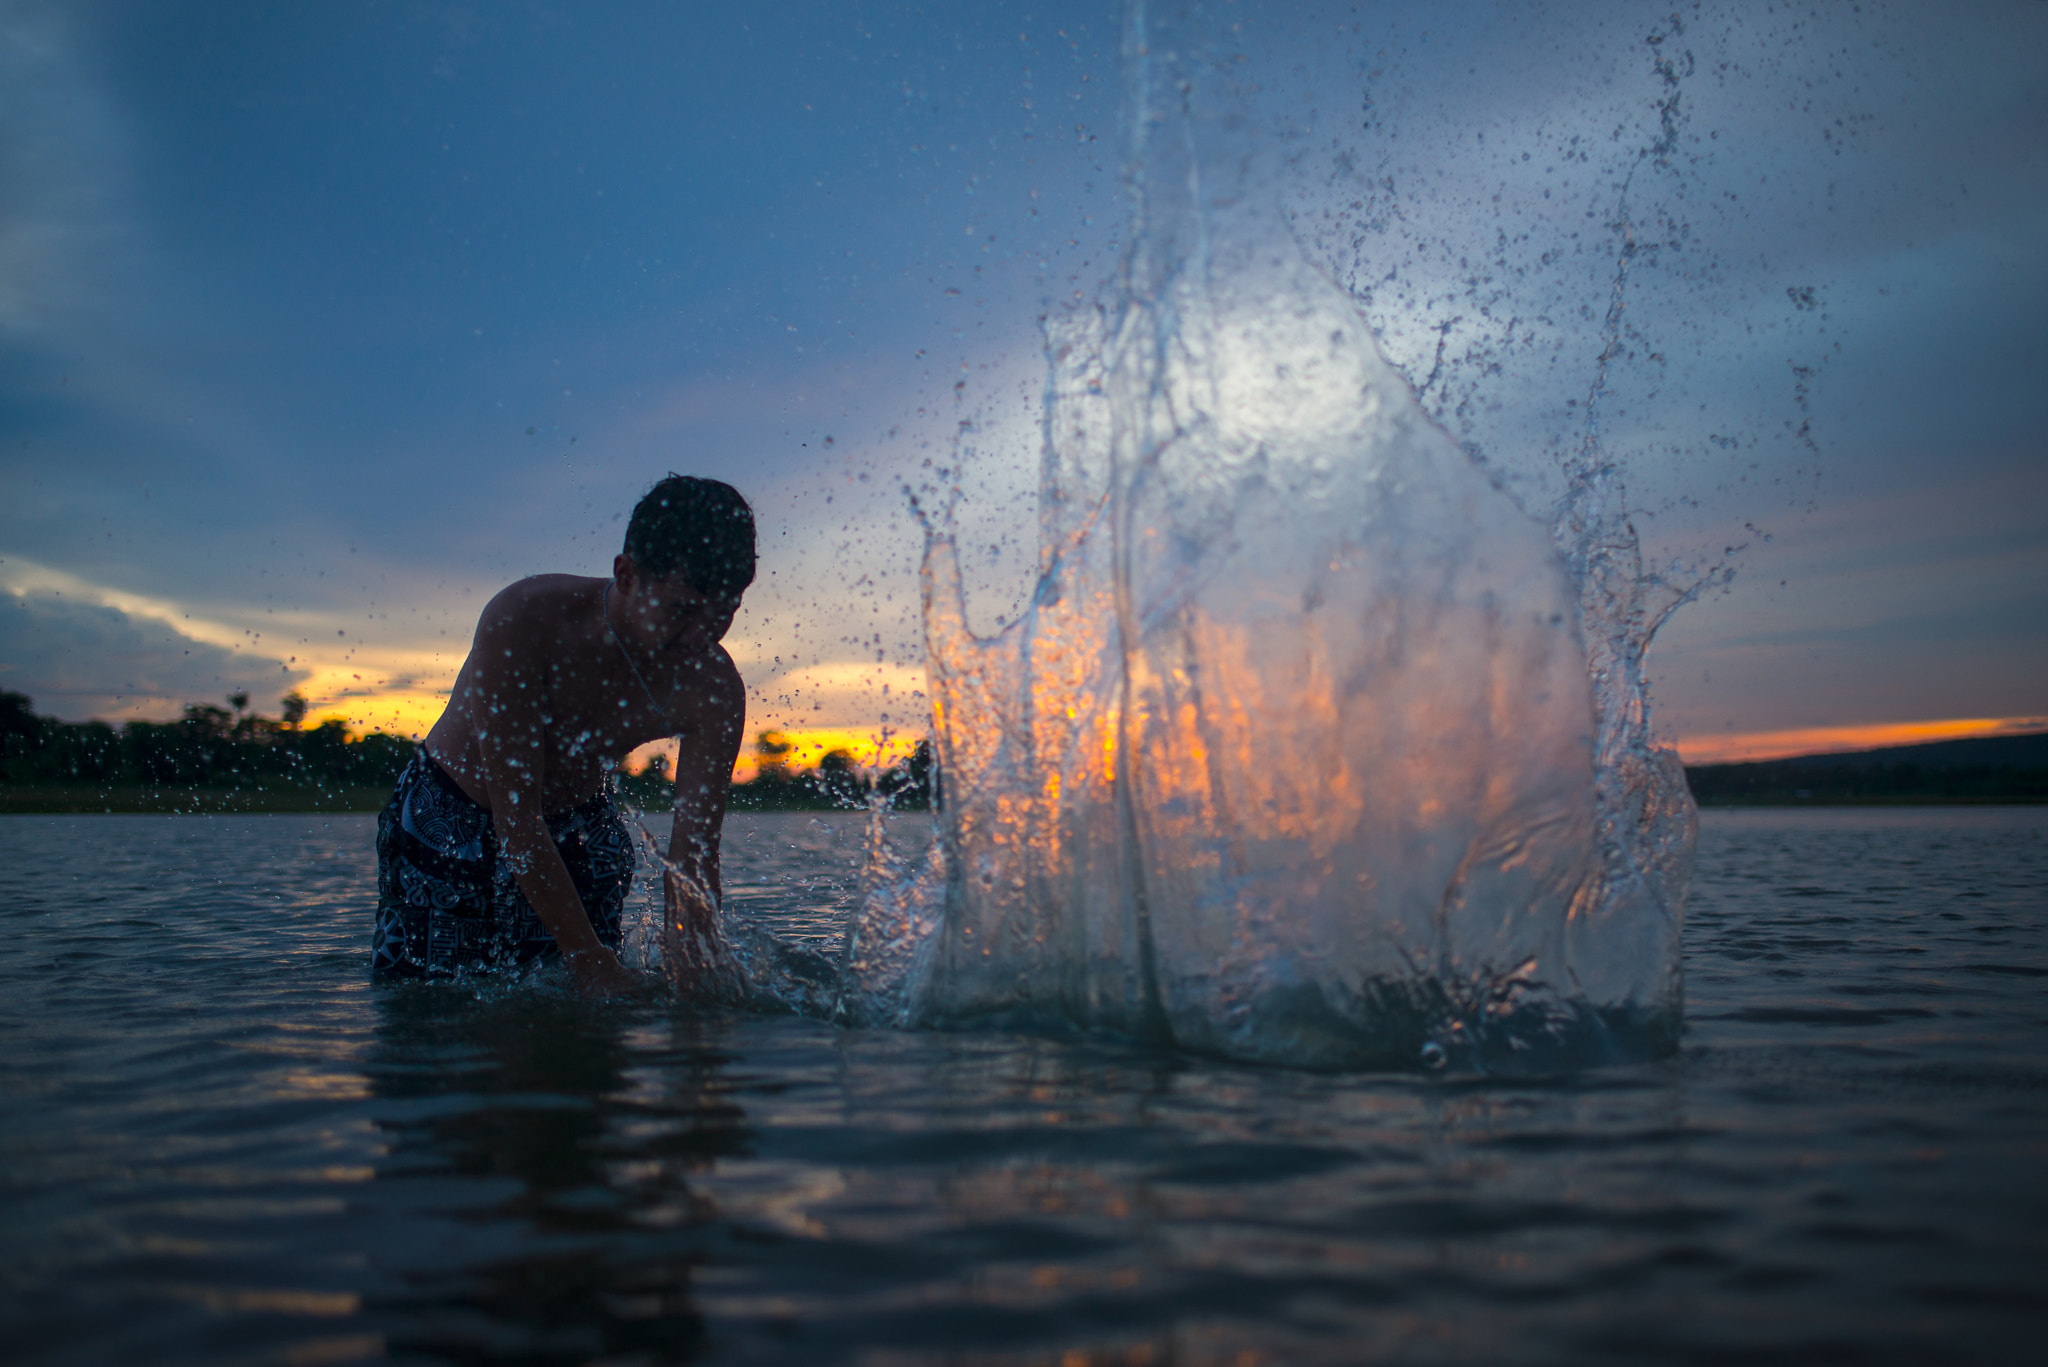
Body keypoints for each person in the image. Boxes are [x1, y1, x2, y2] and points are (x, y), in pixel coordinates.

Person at [372, 474, 753, 996]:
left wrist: (699, 987)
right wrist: (592, 964)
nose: (701, 637)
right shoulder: (527, 619)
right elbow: (517, 818)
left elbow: (693, 858)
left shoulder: (714, 689)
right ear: (626, 575)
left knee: (587, 1036)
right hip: (451, 819)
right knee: (433, 1014)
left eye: (725, 612)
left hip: (581, 826)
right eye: (682, 611)